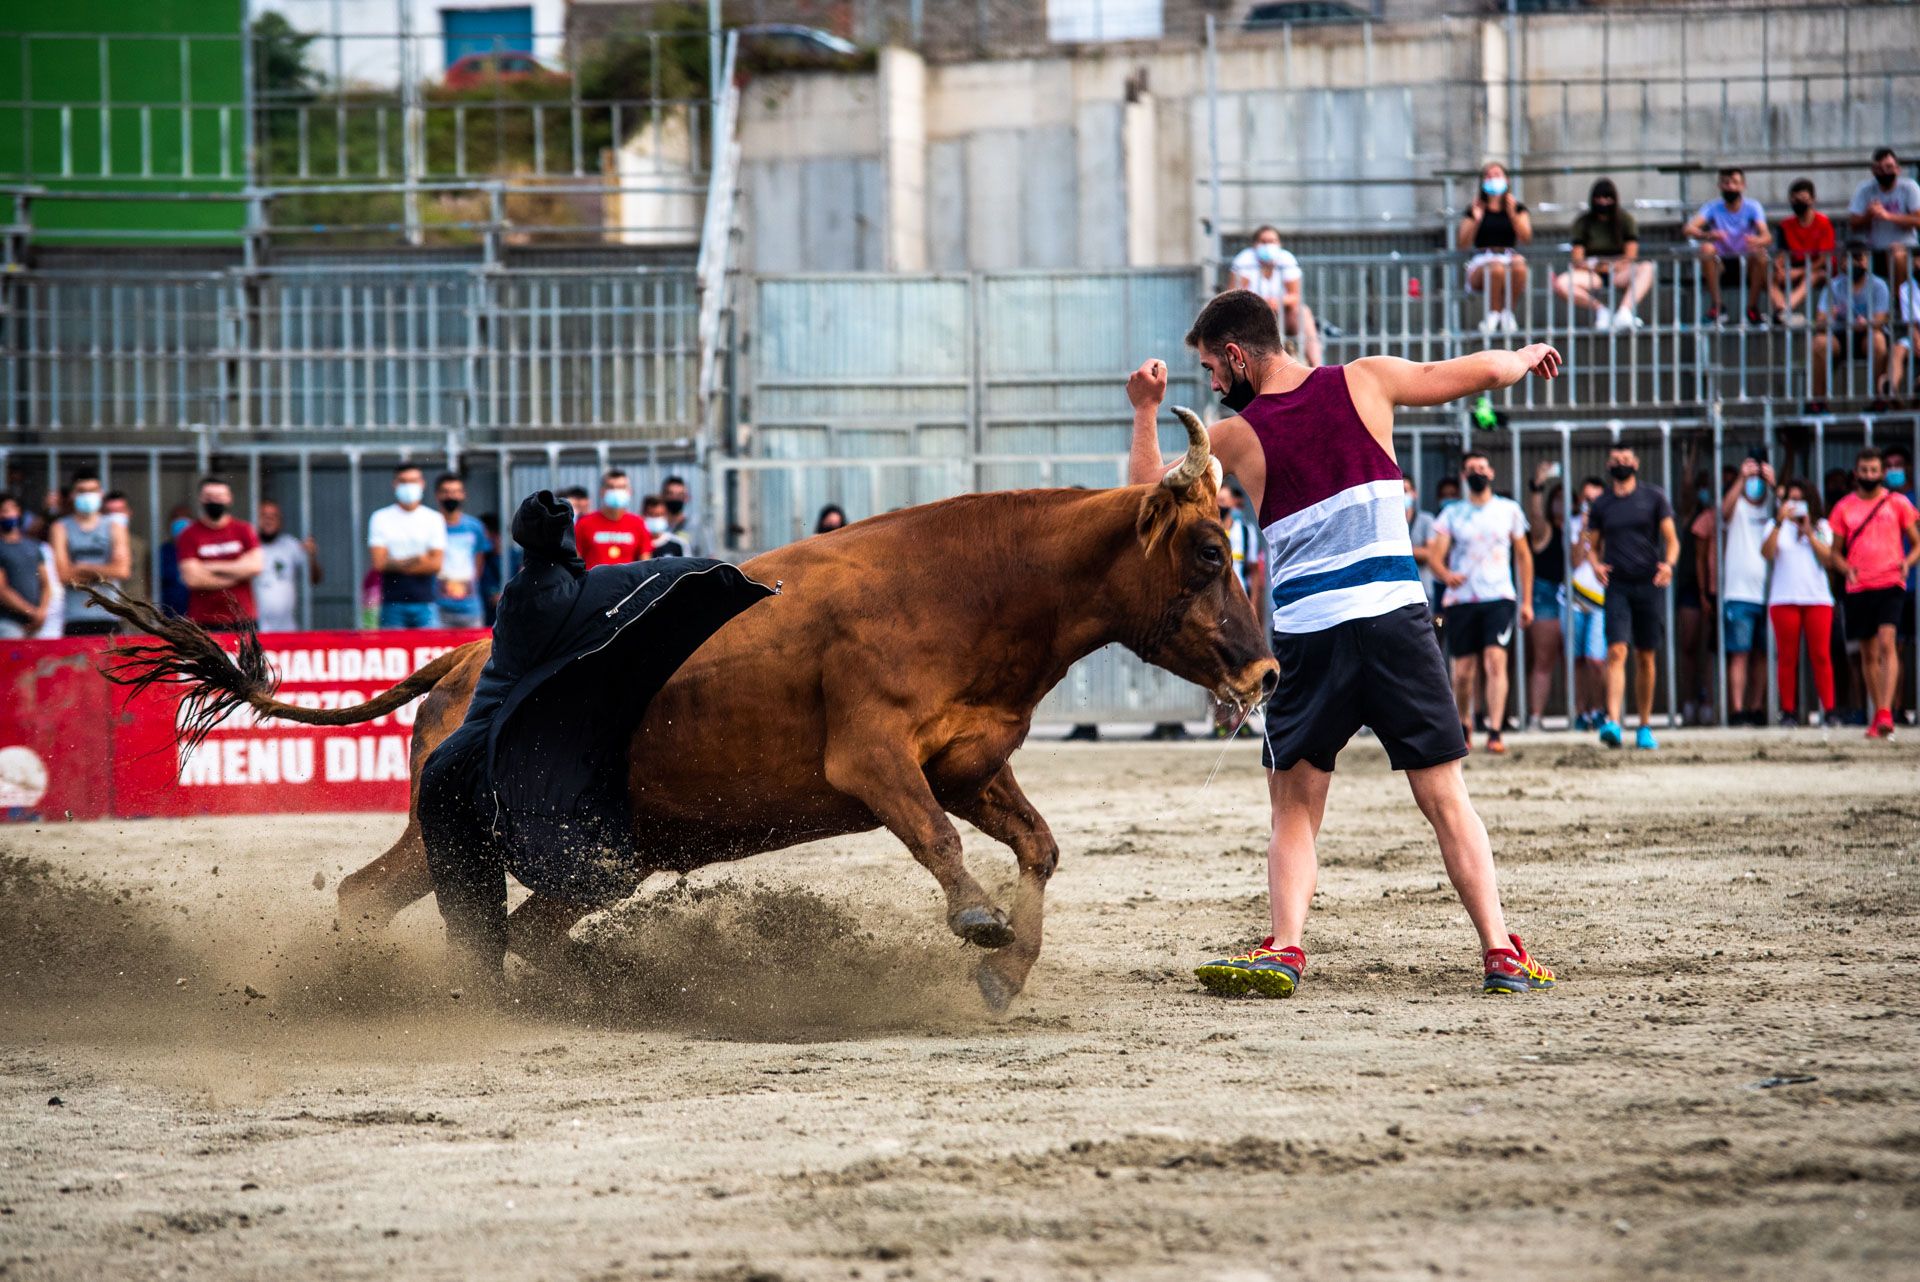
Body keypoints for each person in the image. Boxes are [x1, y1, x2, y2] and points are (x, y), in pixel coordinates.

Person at [1126, 289, 1561, 997]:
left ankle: (1286, 950)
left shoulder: (1237, 439)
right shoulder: (1368, 379)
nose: (1210, 383)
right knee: (1447, 797)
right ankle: (1500, 952)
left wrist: (1145, 410)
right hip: (1396, 623)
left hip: (1310, 638)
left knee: (1294, 806)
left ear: (1237, 356)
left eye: (1211, 369)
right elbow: (1475, 373)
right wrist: (1521, 356)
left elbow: (1144, 503)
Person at [1428, 453, 1532, 754]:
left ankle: (1495, 729)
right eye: (1472, 469)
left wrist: (1525, 601)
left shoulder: (1509, 510)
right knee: (1463, 671)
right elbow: (1436, 556)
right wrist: (1447, 575)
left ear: (1492, 472)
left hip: (1499, 596)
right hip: (1462, 600)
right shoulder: (1451, 514)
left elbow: (1523, 556)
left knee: (1495, 660)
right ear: (1463, 476)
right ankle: (1463, 725)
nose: (1478, 473)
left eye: (1482, 467)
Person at [1586, 445, 1680, 749]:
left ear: (1636, 463)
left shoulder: (1654, 497)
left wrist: (1669, 564)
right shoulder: (1602, 504)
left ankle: (1643, 724)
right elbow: (1592, 544)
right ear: (1608, 465)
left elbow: (1672, 540)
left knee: (1646, 655)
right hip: (1617, 585)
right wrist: (1595, 565)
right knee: (1616, 651)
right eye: (1615, 461)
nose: (1621, 464)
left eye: (1626, 460)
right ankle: (1613, 721)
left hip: (1648, 583)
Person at [1829, 447, 1920, 739]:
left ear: (1881, 473)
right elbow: (1835, 553)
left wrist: (1907, 562)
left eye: (1874, 470)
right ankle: (1878, 710)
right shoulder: (1844, 508)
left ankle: (1885, 713)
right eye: (1864, 471)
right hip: (1859, 586)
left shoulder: (1898, 504)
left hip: (1891, 582)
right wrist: (1847, 570)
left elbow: (1917, 543)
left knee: (1887, 643)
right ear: (1856, 474)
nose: (1869, 475)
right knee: (1867, 653)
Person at [1762, 478, 1839, 726]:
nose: (1795, 505)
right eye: (1791, 500)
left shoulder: (1822, 527)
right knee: (1787, 657)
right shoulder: (1774, 526)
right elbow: (1767, 553)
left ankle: (1829, 710)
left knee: (1821, 655)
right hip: (1784, 598)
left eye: (1800, 500)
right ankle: (1788, 711)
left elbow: (1828, 559)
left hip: (1817, 598)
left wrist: (1808, 533)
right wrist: (1778, 522)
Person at [1718, 453, 1776, 725]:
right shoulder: (1738, 504)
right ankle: (1738, 710)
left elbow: (1791, 511)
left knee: (1764, 654)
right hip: (1739, 592)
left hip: (1771, 592)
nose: (1756, 482)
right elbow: (1723, 511)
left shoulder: (1774, 506)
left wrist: (1775, 486)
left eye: (1758, 476)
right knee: (1739, 653)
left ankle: (1756, 707)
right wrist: (1742, 478)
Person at [1553, 178, 1652, 331]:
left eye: (1607, 198)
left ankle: (1624, 311)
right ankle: (1601, 310)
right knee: (1562, 283)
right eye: (1599, 198)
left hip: (1619, 272)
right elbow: (1578, 258)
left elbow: (1631, 255)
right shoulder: (1583, 222)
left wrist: (1610, 266)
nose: (1603, 202)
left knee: (1647, 268)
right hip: (1592, 273)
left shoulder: (1625, 220)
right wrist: (1597, 266)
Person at [1212, 483, 1267, 738]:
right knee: (1215, 663)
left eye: (1225, 501)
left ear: (1236, 503)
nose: (1220, 505)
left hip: (1240, 606)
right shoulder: (1209, 531)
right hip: (1214, 607)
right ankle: (1220, 721)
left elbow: (1255, 573)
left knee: (1246, 663)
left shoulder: (1246, 533)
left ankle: (1242, 720)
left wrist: (1254, 605)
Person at [174, 477, 263, 631]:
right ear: (201, 499)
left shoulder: (244, 530)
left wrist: (210, 566)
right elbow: (193, 579)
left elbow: (255, 566)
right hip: (204, 620)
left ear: (229, 499)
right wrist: (238, 573)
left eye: (219, 497)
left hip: (242, 618)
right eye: (210, 497)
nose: (215, 501)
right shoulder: (189, 534)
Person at [1684, 167, 1771, 326]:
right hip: (1721, 263)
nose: (1730, 186)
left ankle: (1752, 307)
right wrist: (1708, 235)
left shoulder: (1753, 207)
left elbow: (1767, 236)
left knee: (1761, 254)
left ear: (1743, 186)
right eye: (1726, 183)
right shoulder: (1712, 207)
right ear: (1719, 185)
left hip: (1747, 262)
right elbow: (1688, 228)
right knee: (1706, 249)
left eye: (1735, 183)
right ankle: (1717, 306)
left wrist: (1757, 241)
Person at [50, 469, 131, 637]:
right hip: (74, 616)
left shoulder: (114, 526)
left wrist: (81, 568)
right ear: (72, 495)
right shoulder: (60, 528)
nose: (87, 495)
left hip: (109, 614)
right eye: (81, 491)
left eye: (92, 490)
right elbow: (62, 575)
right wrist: (104, 572)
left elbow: (122, 571)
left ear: (101, 493)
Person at [1809, 243, 1891, 407]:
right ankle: (1819, 402)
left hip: (1866, 336)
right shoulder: (1833, 286)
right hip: (1840, 337)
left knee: (1878, 340)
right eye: (1850, 259)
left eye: (1858, 258)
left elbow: (1880, 320)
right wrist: (1829, 318)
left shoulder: (1879, 285)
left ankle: (1879, 399)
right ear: (1842, 263)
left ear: (1867, 261)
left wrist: (1867, 324)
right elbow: (1820, 322)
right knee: (1819, 342)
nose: (1854, 264)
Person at [1231, 225, 1323, 366]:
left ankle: (1318, 368)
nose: (1268, 245)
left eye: (1272, 241)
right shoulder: (1244, 260)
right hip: (1251, 317)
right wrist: (1260, 303)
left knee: (1302, 313)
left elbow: (1295, 296)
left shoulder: (1286, 259)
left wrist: (1277, 302)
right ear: (1255, 244)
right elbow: (1233, 296)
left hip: (1281, 314)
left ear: (1279, 244)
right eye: (1263, 241)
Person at [368, 464, 446, 630]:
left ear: (422, 484)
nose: (409, 486)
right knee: (393, 652)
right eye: (403, 481)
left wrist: (395, 563)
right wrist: (419, 559)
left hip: (426, 602)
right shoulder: (381, 518)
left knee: (430, 653)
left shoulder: (434, 519)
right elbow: (379, 563)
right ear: (394, 484)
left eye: (413, 481)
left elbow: (436, 564)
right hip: (392, 603)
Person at [1459, 161, 1531, 335]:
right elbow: (1462, 243)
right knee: (1496, 268)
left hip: (1508, 257)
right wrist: (1476, 220)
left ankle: (1506, 312)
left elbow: (1526, 238)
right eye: (1488, 176)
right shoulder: (1474, 209)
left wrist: (1513, 214)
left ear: (1506, 180)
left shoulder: (1517, 208)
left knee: (1520, 265)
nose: (1493, 179)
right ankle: (1493, 313)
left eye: (1497, 175)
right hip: (1482, 260)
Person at [1523, 462, 1568, 729]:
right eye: (1558, 499)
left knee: (1583, 660)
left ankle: (1586, 714)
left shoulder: (1578, 529)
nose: (1563, 505)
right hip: (1545, 596)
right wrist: (1537, 487)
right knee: (1543, 661)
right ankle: (1536, 717)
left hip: (1576, 598)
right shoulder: (1544, 531)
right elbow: (1536, 516)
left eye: (1568, 500)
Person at [1565, 475, 1610, 730]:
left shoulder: (1611, 523)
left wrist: (1597, 531)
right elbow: (1575, 560)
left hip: (1601, 600)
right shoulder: (1574, 524)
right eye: (1586, 499)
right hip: (1574, 600)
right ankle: (1581, 712)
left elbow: (1603, 555)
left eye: (1596, 500)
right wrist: (1584, 529)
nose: (1590, 504)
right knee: (1578, 659)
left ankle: (1601, 709)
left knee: (1596, 659)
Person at [1849, 148, 1920, 304]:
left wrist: (1888, 216)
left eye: (1889, 167)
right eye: (1880, 169)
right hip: (1875, 252)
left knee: (1897, 253)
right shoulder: (1865, 190)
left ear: (1898, 169)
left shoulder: (1909, 188)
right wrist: (1868, 215)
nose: (1884, 172)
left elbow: (1918, 220)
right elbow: (1853, 223)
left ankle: (1899, 302)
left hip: (1907, 251)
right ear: (1873, 171)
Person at [1771, 178, 1836, 324]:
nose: (1799, 203)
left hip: (1821, 271)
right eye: (1795, 199)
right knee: (1770, 277)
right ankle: (1782, 311)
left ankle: (1785, 309)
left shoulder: (1823, 223)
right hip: (1795, 267)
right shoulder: (1786, 225)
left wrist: (1798, 272)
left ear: (1813, 200)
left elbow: (1823, 259)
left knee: (1812, 276)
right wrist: (1779, 267)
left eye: (1803, 199)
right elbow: (1782, 253)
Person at [252, 499, 321, 633]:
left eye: (274, 516)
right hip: (254, 628)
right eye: (264, 516)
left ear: (281, 521)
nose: (268, 520)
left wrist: (311, 557)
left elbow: (315, 579)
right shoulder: (249, 545)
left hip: (286, 628)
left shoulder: (290, 545)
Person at [433, 474, 492, 628]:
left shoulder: (475, 527)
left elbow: (479, 561)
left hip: (470, 606)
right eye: (446, 491)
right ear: (437, 495)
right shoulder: (430, 525)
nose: (451, 496)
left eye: (455, 491)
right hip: (438, 606)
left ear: (463, 494)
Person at [574, 469, 653, 570]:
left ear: (629, 492)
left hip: (628, 584)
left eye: (621, 487)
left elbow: (645, 564)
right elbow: (576, 561)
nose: (616, 491)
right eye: (611, 487)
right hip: (594, 584)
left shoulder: (638, 523)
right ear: (602, 491)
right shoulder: (584, 523)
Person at [0, 493, 50, 640]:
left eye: (9, 510)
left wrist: (41, 613)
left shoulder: (33, 545)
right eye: (2, 510)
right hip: (7, 622)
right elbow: (2, 590)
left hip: (38, 623)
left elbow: (46, 584)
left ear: (19, 512)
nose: (5, 515)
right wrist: (32, 613)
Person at [101, 491, 149, 605]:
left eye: (119, 511)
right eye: (109, 512)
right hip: (103, 609)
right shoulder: (94, 543)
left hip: (133, 610)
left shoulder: (140, 545)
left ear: (129, 513)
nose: (115, 516)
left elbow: (148, 580)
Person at [1404, 474, 1439, 608]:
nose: (1402, 495)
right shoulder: (1386, 522)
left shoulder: (1426, 520)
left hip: (1423, 591)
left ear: (1414, 494)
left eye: (1405, 491)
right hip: (1396, 596)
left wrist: (1396, 549)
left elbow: (1430, 554)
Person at [660, 475, 705, 556]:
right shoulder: (656, 526)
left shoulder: (696, 526)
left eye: (680, 494)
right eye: (670, 494)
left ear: (687, 497)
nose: (675, 498)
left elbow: (709, 558)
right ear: (662, 496)